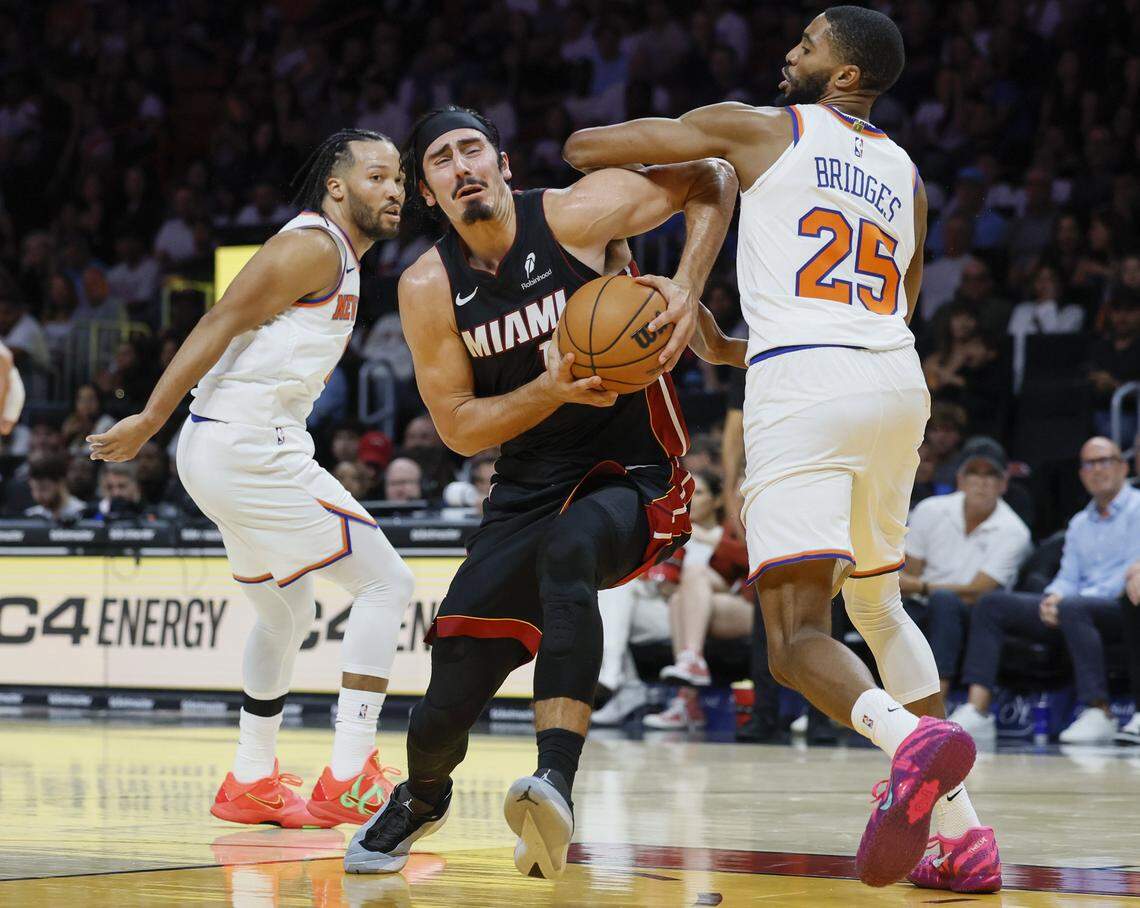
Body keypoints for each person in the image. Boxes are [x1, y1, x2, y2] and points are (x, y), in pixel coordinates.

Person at [563, 6, 999, 892]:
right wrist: (730, 344)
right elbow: (892, 305)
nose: (789, 51)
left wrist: (694, 170)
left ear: (845, 75)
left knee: (796, 641)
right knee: (878, 610)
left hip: (807, 389)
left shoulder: (762, 128)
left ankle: (909, 744)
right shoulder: (907, 172)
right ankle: (969, 840)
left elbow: (585, 147)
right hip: (893, 382)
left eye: (808, 43)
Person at [345, 105, 741, 879]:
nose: (461, 167)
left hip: (634, 465)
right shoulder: (428, 285)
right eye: (441, 162)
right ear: (429, 192)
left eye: (472, 151)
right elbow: (458, 427)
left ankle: (553, 779)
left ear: (502, 166)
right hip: (527, 481)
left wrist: (688, 289)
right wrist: (553, 388)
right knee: (442, 705)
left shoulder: (574, 214)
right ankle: (424, 797)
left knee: (573, 552)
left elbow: (714, 177)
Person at [87, 129, 415, 829]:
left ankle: (250, 778)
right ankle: (350, 774)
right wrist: (149, 417)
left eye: (400, 180)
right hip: (244, 445)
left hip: (226, 449)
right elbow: (218, 319)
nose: (395, 190)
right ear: (338, 185)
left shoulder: (343, 259)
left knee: (287, 612)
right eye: (380, 177)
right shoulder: (313, 245)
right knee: (388, 583)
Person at [952, 438, 1140, 745]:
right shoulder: (1080, 522)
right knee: (992, 605)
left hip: (1122, 608)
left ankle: (1099, 711)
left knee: (1074, 607)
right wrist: (1052, 597)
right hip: (1074, 608)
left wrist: (1069, 601)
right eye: (1089, 464)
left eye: (1105, 461)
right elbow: (1068, 575)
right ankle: (978, 708)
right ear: (1081, 474)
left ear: (1123, 466)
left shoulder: (1138, 509)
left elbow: (1131, 574)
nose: (1097, 470)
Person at [901, 440, 1032, 697]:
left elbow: (978, 591)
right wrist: (915, 587)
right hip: (921, 601)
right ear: (960, 480)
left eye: (991, 475)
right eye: (974, 473)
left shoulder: (1014, 531)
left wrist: (921, 587)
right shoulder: (929, 510)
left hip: (973, 611)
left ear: (1004, 484)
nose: (981, 482)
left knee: (945, 602)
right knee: (883, 608)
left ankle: (936, 702)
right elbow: (909, 572)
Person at [24, 454, 85, 522]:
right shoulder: (31, 516)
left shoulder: (82, 514)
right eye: (33, 489)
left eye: (43, 489)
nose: (37, 495)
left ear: (60, 483)